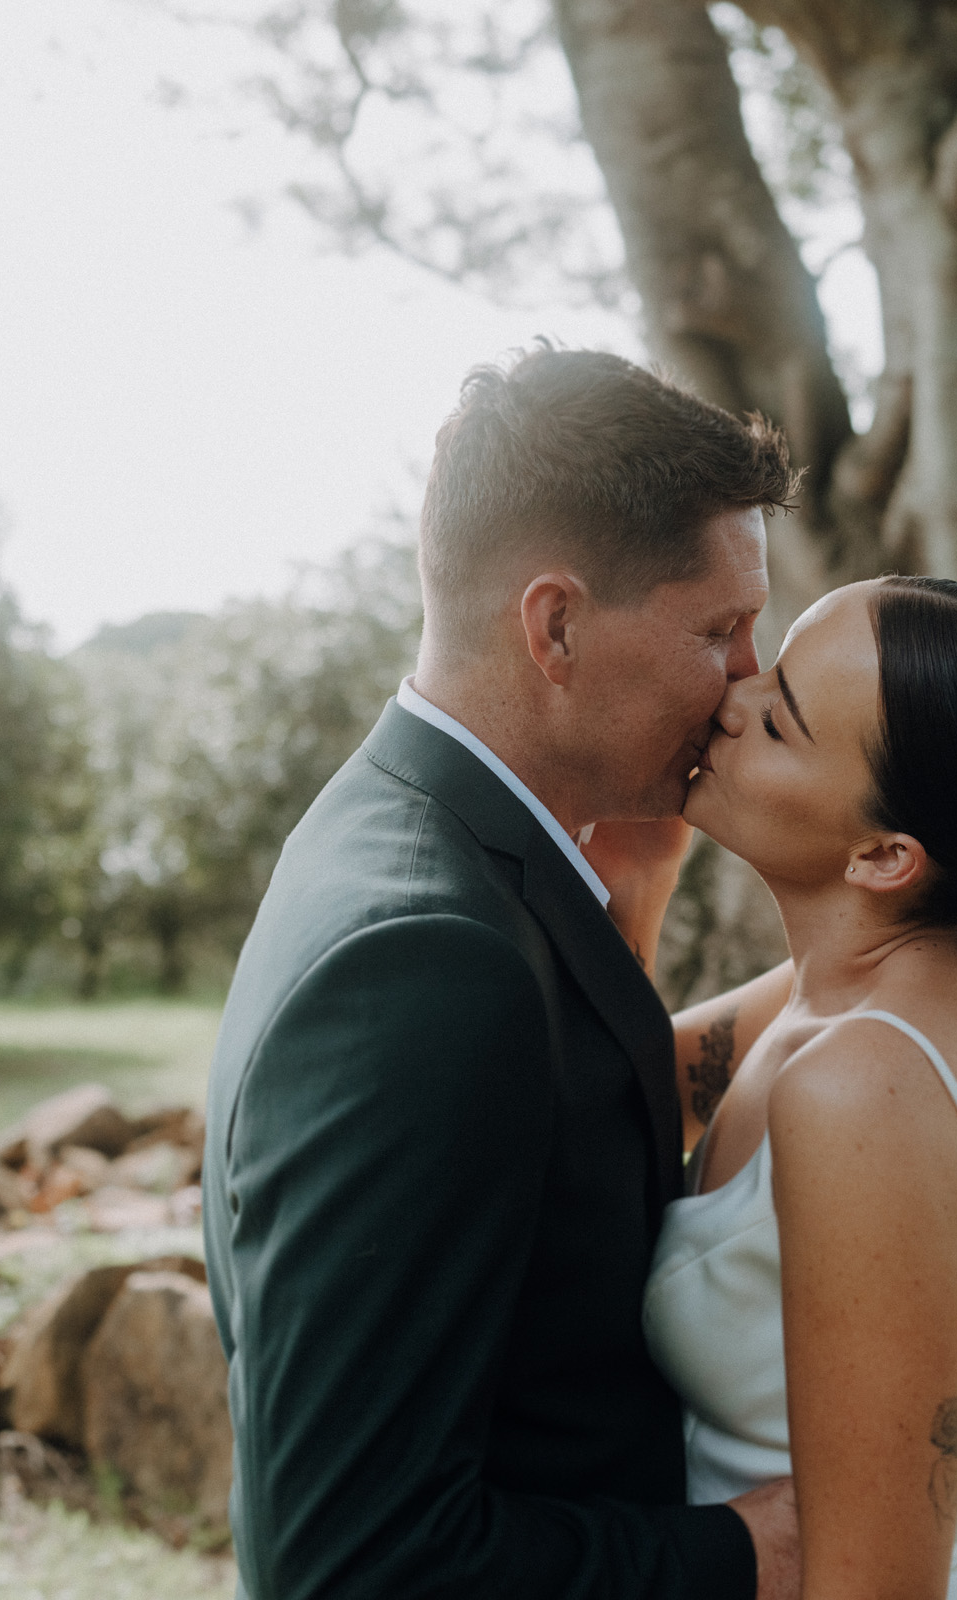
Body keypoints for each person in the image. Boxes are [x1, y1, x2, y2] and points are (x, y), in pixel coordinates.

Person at [201, 347, 805, 1600]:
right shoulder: (426, 962)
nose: (752, 674)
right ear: (557, 625)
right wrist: (748, 1551)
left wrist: (873, 969)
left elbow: (564, 1114)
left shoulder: (424, 831)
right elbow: (349, 1564)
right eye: (718, 630)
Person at [612, 576, 957, 1600]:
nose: (731, 698)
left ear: (883, 855)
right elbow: (625, 1088)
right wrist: (633, 885)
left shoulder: (863, 1090)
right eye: (769, 667)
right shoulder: (910, 976)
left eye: (777, 720)